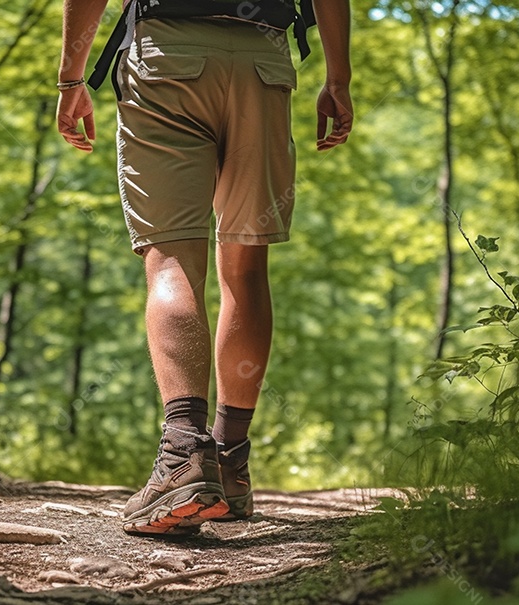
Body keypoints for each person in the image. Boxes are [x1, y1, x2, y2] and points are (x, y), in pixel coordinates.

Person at [56, 0, 353, 536]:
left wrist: (70, 79)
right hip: (262, 61)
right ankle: (231, 462)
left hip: (167, 55)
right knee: (245, 265)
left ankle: (185, 456)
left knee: (171, 257)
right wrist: (338, 78)